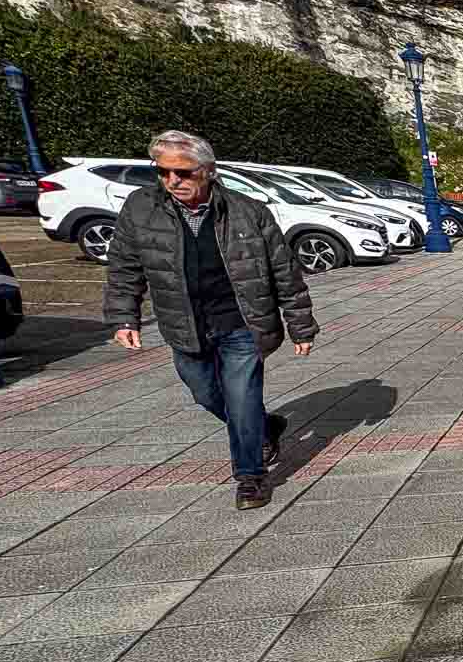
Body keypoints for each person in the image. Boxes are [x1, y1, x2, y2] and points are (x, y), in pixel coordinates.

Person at [104, 129, 314, 511]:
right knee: (205, 393)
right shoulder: (140, 208)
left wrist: (300, 324)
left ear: (208, 170)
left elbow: (284, 271)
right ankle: (265, 427)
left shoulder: (248, 212)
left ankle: (250, 477)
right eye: (164, 172)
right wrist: (124, 317)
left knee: (242, 396)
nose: (173, 181)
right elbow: (124, 267)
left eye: (183, 173)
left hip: (241, 323)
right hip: (184, 325)